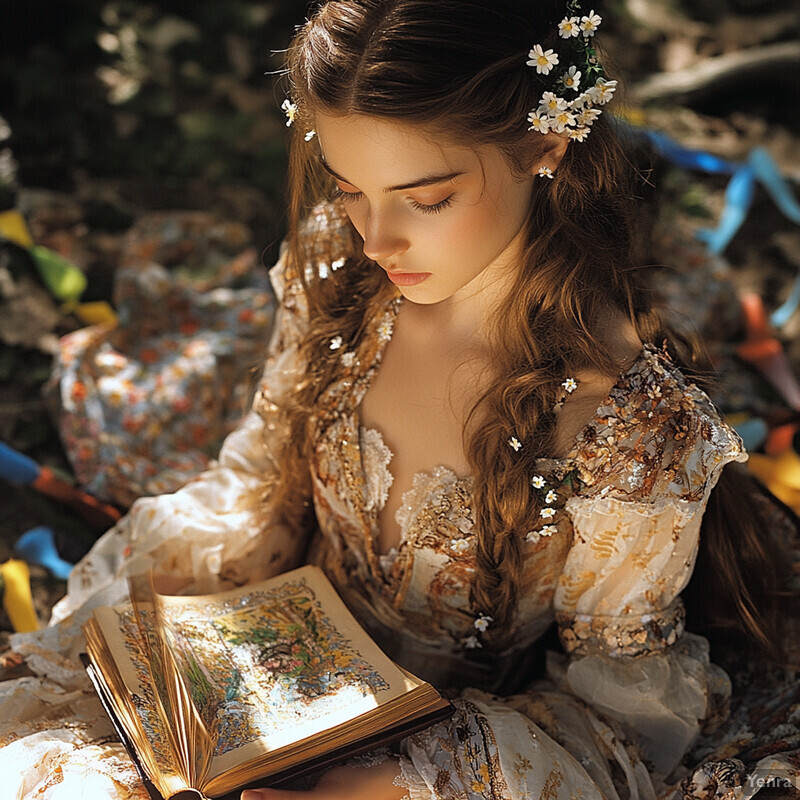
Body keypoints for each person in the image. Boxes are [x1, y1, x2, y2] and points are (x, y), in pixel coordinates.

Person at [1, 1, 797, 799]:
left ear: (545, 147)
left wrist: (378, 785)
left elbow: (615, 714)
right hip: (260, 692)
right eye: (350, 188)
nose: (375, 238)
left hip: (442, 761)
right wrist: (118, 642)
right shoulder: (338, 271)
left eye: (426, 198)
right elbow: (259, 490)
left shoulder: (633, 424)